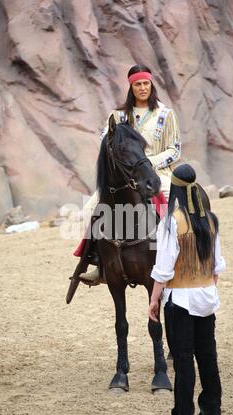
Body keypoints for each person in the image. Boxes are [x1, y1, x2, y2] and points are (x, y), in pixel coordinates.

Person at [78, 64, 181, 284]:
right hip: (124, 175)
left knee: (177, 210)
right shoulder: (117, 116)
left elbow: (175, 150)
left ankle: (178, 258)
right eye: (138, 84)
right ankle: (99, 262)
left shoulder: (165, 114)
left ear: (151, 85)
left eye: (146, 83)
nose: (143, 88)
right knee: (89, 208)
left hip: (156, 173)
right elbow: (106, 146)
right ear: (131, 87)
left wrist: (148, 162)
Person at [148, 163, 226, 415]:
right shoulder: (211, 220)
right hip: (206, 296)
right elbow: (217, 267)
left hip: (180, 299)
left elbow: (163, 269)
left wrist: (154, 300)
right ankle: (211, 411)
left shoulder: (172, 221)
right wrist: (206, 288)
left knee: (183, 357)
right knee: (207, 355)